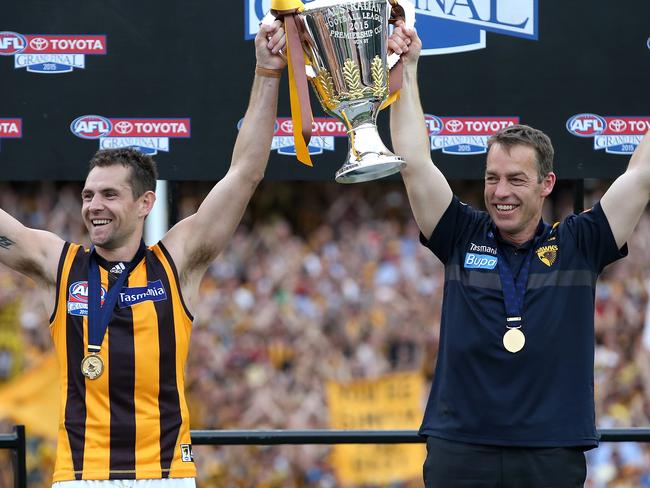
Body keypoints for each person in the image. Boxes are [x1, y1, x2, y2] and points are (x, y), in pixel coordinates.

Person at [0, 21, 286, 488]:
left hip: (165, 474)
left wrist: (267, 72)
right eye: (89, 195)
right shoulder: (61, 263)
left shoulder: (177, 260)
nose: (94, 206)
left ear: (144, 203)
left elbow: (244, 173)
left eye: (109, 195)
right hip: (80, 474)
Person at [388, 21, 650, 488]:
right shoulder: (460, 235)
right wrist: (406, 71)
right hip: (461, 448)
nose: (500, 192)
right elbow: (414, 163)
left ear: (547, 184)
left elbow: (644, 173)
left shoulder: (579, 244)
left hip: (551, 451)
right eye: (492, 178)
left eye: (515, 179)